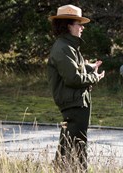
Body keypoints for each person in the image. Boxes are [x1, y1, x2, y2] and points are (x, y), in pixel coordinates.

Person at [47, 4, 105, 170]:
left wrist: (89, 67)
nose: (82, 28)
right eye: (79, 24)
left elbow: (74, 69)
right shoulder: (63, 47)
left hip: (76, 102)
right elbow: (73, 78)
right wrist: (95, 77)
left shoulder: (69, 46)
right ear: (68, 26)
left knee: (66, 148)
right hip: (74, 104)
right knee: (78, 148)